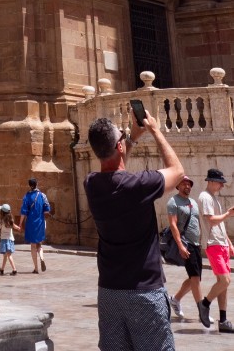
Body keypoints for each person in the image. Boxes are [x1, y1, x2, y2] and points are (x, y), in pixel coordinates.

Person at [84, 110, 184, 350]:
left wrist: (130, 139)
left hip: (109, 292)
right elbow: (177, 171)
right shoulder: (139, 185)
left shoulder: (91, 184)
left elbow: (114, 169)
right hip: (144, 292)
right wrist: (155, 130)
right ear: (119, 146)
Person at [166, 174, 207, 326]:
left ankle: (175, 299)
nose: (187, 186)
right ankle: (203, 312)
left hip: (196, 244)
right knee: (195, 278)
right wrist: (180, 245)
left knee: (195, 278)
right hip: (186, 243)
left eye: (189, 184)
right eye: (184, 183)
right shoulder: (173, 202)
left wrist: (202, 241)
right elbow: (173, 225)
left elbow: (197, 223)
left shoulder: (193, 202)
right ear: (178, 186)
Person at [198, 168, 234, 332]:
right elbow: (212, 220)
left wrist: (229, 243)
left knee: (223, 284)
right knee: (225, 280)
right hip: (213, 243)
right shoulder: (205, 197)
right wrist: (228, 214)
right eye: (220, 182)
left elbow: (220, 225)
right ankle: (204, 304)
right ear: (211, 181)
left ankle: (223, 320)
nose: (222, 186)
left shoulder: (214, 199)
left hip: (221, 243)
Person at [19, 177, 51, 273]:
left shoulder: (26, 196)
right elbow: (47, 208)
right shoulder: (42, 195)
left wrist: (20, 223)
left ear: (29, 185)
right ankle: (42, 257)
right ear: (36, 184)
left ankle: (36, 268)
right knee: (39, 243)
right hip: (40, 222)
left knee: (33, 245)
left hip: (30, 223)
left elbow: (23, 211)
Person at [0, 203, 20, 276]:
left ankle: (14, 269)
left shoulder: (1, 221)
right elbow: (15, 226)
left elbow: (0, 227)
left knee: (8, 255)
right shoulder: (10, 221)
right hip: (10, 239)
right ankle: (2, 269)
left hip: (4, 239)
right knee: (5, 256)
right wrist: (18, 228)